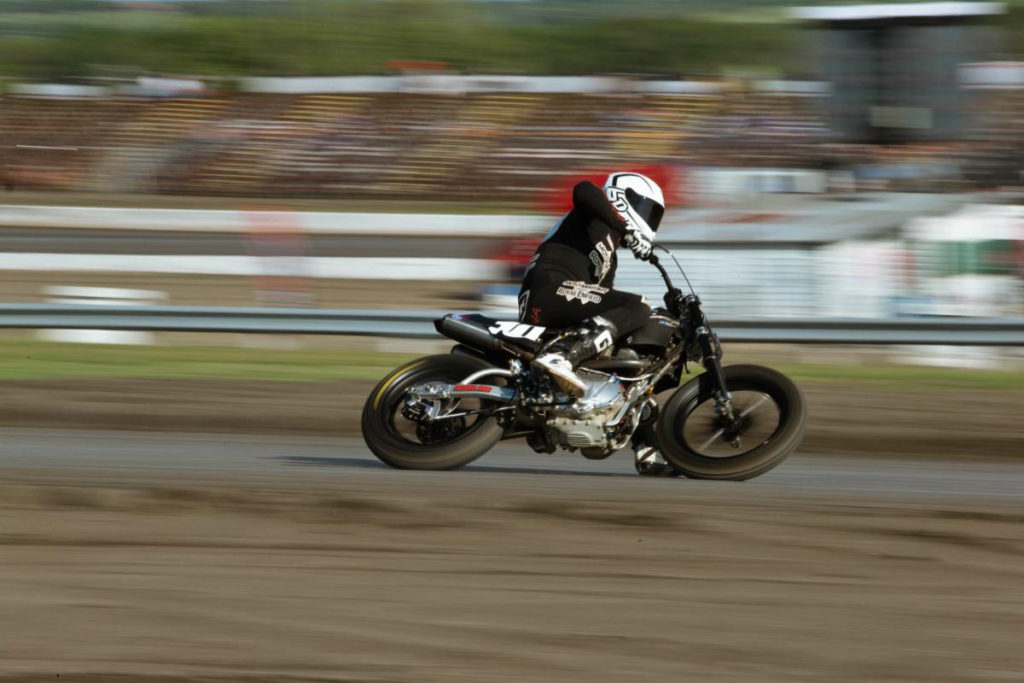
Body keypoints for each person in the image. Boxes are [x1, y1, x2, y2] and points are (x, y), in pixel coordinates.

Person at [518, 171, 676, 476]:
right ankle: (562, 357)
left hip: (562, 304)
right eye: (645, 209)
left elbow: (602, 302)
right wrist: (626, 227)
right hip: (549, 290)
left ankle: (647, 449)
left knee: (636, 374)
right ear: (622, 195)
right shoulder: (595, 214)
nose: (648, 220)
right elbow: (583, 189)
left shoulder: (610, 258)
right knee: (637, 305)